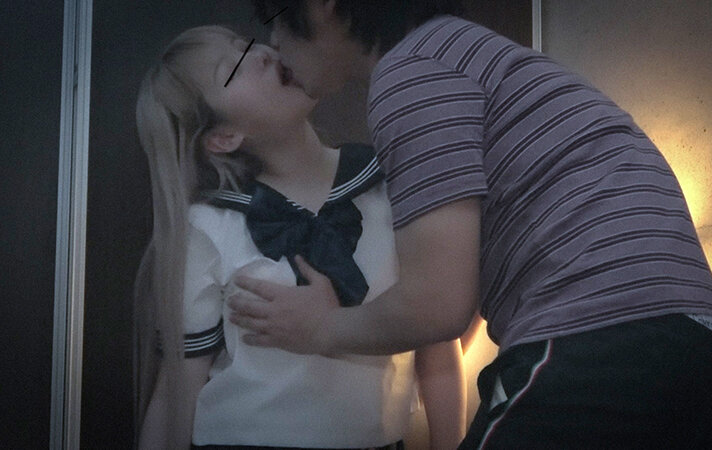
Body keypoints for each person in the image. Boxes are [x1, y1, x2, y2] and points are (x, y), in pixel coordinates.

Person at [229, 1, 712, 448]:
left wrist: (322, 329)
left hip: (602, 342)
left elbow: (436, 306)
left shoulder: (410, 72)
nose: (273, 44)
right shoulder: (467, 52)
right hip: (701, 347)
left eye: (276, 19)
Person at [133, 25, 466, 450]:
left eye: (244, 43)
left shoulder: (391, 187)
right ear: (224, 137)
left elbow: (437, 349)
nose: (261, 53)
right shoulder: (211, 225)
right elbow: (177, 389)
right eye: (231, 68)